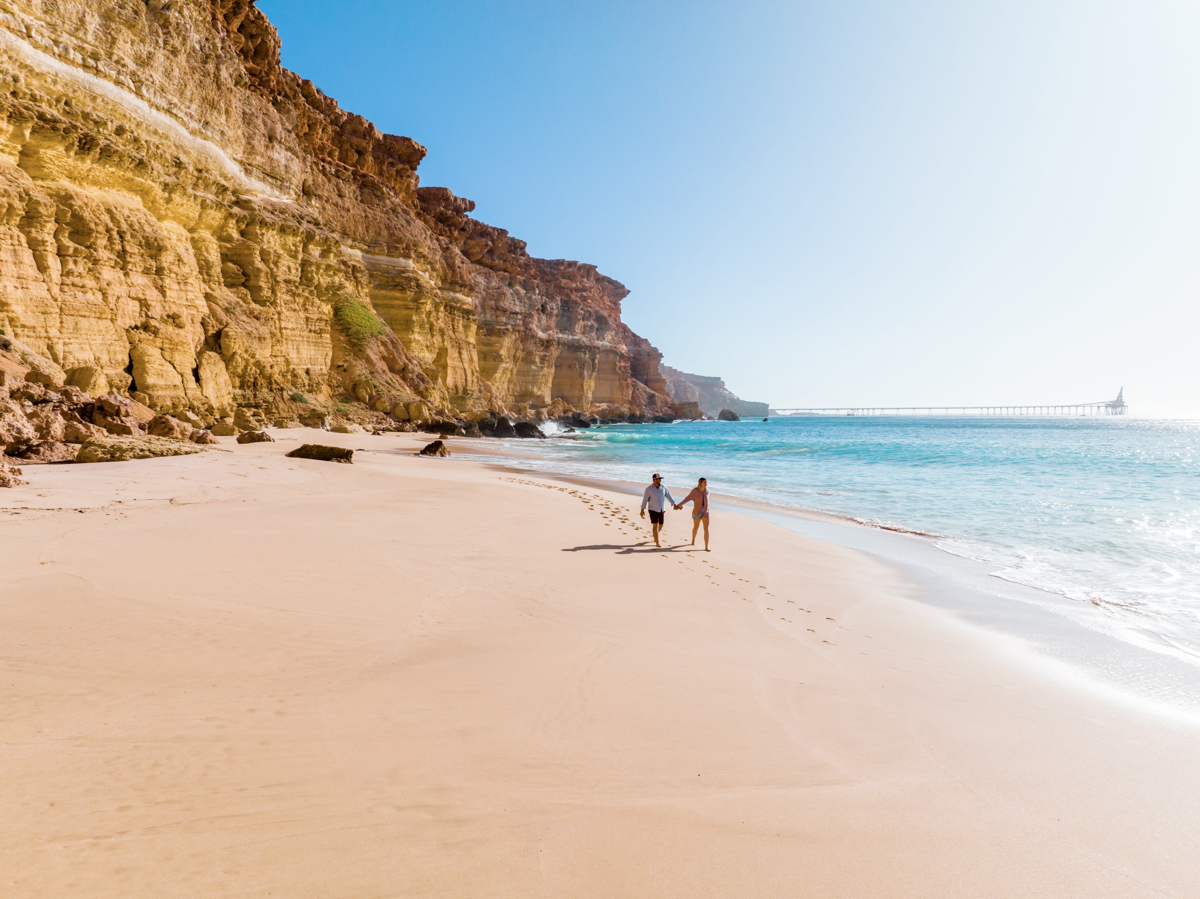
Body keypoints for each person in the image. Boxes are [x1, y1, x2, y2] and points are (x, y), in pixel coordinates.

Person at [639, 473, 677, 547]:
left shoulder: (663, 487)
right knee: (655, 526)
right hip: (652, 509)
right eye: (659, 479)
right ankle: (657, 542)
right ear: (654, 479)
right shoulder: (649, 489)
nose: (660, 480)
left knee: (661, 525)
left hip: (661, 509)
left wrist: (674, 503)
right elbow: (645, 500)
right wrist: (642, 509)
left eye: (660, 479)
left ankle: (655, 535)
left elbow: (668, 495)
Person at [676, 477, 711, 551]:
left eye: (706, 482)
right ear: (700, 483)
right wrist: (679, 504)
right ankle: (693, 540)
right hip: (696, 512)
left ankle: (706, 547)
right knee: (696, 527)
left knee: (706, 529)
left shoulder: (707, 491)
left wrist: (706, 511)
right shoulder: (695, 491)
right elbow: (687, 498)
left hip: (706, 512)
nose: (706, 484)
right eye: (705, 482)